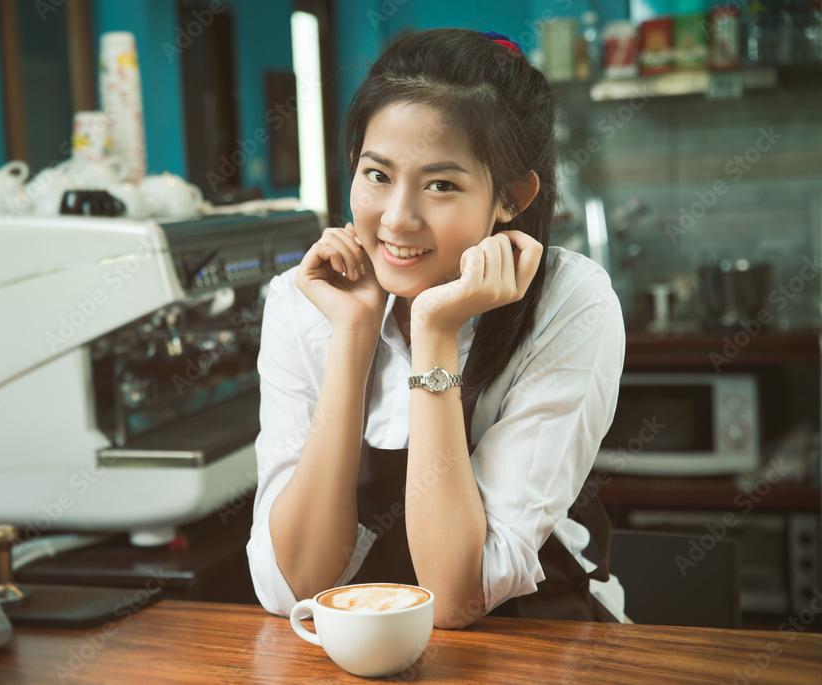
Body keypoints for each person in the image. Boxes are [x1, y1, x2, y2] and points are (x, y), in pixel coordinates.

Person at [246, 28, 626, 628]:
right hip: (359, 647)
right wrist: (353, 336)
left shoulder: (569, 302)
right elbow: (292, 583)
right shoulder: (302, 301)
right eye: (377, 174)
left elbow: (456, 598)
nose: (397, 218)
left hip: (537, 640)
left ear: (511, 195)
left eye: (441, 185)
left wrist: (434, 331)